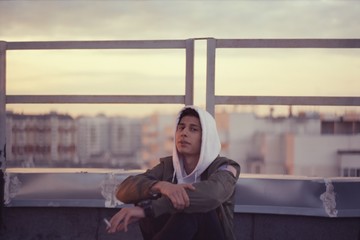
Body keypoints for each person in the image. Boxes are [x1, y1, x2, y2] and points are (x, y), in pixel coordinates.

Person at [107, 105, 240, 240]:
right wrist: (162, 186)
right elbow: (122, 191)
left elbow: (214, 194)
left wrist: (148, 210)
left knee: (198, 206)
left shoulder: (225, 166)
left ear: (206, 137)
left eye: (193, 129)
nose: (184, 133)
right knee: (147, 192)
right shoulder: (168, 167)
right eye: (181, 127)